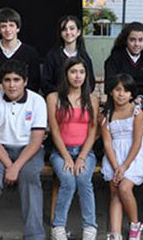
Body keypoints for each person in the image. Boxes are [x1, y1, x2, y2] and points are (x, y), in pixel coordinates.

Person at [0, 60, 47, 240]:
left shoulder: (37, 101)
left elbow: (36, 140)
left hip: (29, 150)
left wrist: (16, 168)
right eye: (7, 80)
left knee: (30, 177)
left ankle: (34, 235)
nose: (12, 85)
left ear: (25, 81)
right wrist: (10, 165)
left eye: (17, 80)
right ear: (2, 82)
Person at [47, 57, 99, 240]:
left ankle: (90, 227)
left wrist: (81, 157)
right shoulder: (53, 98)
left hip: (85, 152)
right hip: (61, 152)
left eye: (82, 72)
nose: (78, 76)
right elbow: (54, 131)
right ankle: (58, 227)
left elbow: (93, 132)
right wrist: (68, 158)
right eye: (73, 72)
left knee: (84, 179)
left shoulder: (92, 99)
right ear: (66, 74)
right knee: (68, 180)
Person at [101, 73, 143, 240]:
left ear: (131, 94)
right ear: (111, 92)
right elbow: (107, 143)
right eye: (118, 90)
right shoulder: (106, 115)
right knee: (114, 189)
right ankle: (115, 233)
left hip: (133, 156)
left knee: (124, 187)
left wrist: (124, 167)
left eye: (126, 91)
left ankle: (135, 225)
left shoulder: (137, 112)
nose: (122, 94)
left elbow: (137, 142)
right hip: (114, 155)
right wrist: (116, 167)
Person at [0, 7, 41, 103]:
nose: (8, 30)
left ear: (18, 28)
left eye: (11, 25)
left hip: (22, 95)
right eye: (3, 26)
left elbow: (35, 82)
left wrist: (17, 88)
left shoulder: (30, 53)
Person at [104, 22, 143, 109]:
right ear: (125, 40)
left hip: (142, 101)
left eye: (140, 40)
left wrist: (140, 97)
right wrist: (128, 97)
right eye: (132, 40)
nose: (136, 44)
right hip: (119, 101)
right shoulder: (114, 59)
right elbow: (110, 85)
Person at [42, 15, 95, 97]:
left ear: (78, 32)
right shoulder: (52, 57)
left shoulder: (84, 58)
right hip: (57, 101)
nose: (68, 32)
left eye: (72, 28)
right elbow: (45, 84)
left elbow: (91, 84)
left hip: (79, 102)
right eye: (64, 29)